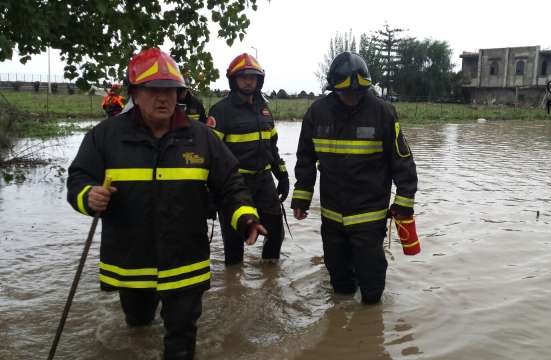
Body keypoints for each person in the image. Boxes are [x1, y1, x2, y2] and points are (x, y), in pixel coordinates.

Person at [66, 48, 266, 360]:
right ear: (134, 93)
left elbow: (230, 184)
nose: (163, 99)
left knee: (181, 343)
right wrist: (88, 196)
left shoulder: (202, 138)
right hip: (131, 261)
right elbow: (78, 177)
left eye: (170, 91)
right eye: (153, 90)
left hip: (185, 261)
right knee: (138, 325)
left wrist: (246, 218)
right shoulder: (105, 136)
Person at [290, 52, 418, 304]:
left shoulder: (383, 112)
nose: (352, 97)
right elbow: (305, 158)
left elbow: (402, 162)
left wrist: (404, 203)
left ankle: (370, 331)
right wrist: (301, 198)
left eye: (359, 92)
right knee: (340, 283)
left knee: (371, 286)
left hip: (368, 216)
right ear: (333, 89)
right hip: (331, 215)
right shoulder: (317, 113)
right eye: (347, 93)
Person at [208, 53, 289, 265]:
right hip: (234, 184)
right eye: (243, 76)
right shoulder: (221, 111)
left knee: (275, 231)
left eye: (252, 76)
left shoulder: (264, 110)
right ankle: (234, 286)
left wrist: (282, 174)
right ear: (233, 80)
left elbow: (272, 146)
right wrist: (209, 190)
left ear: (259, 80)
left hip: (264, 181)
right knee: (234, 241)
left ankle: (270, 278)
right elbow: (211, 155)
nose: (248, 80)